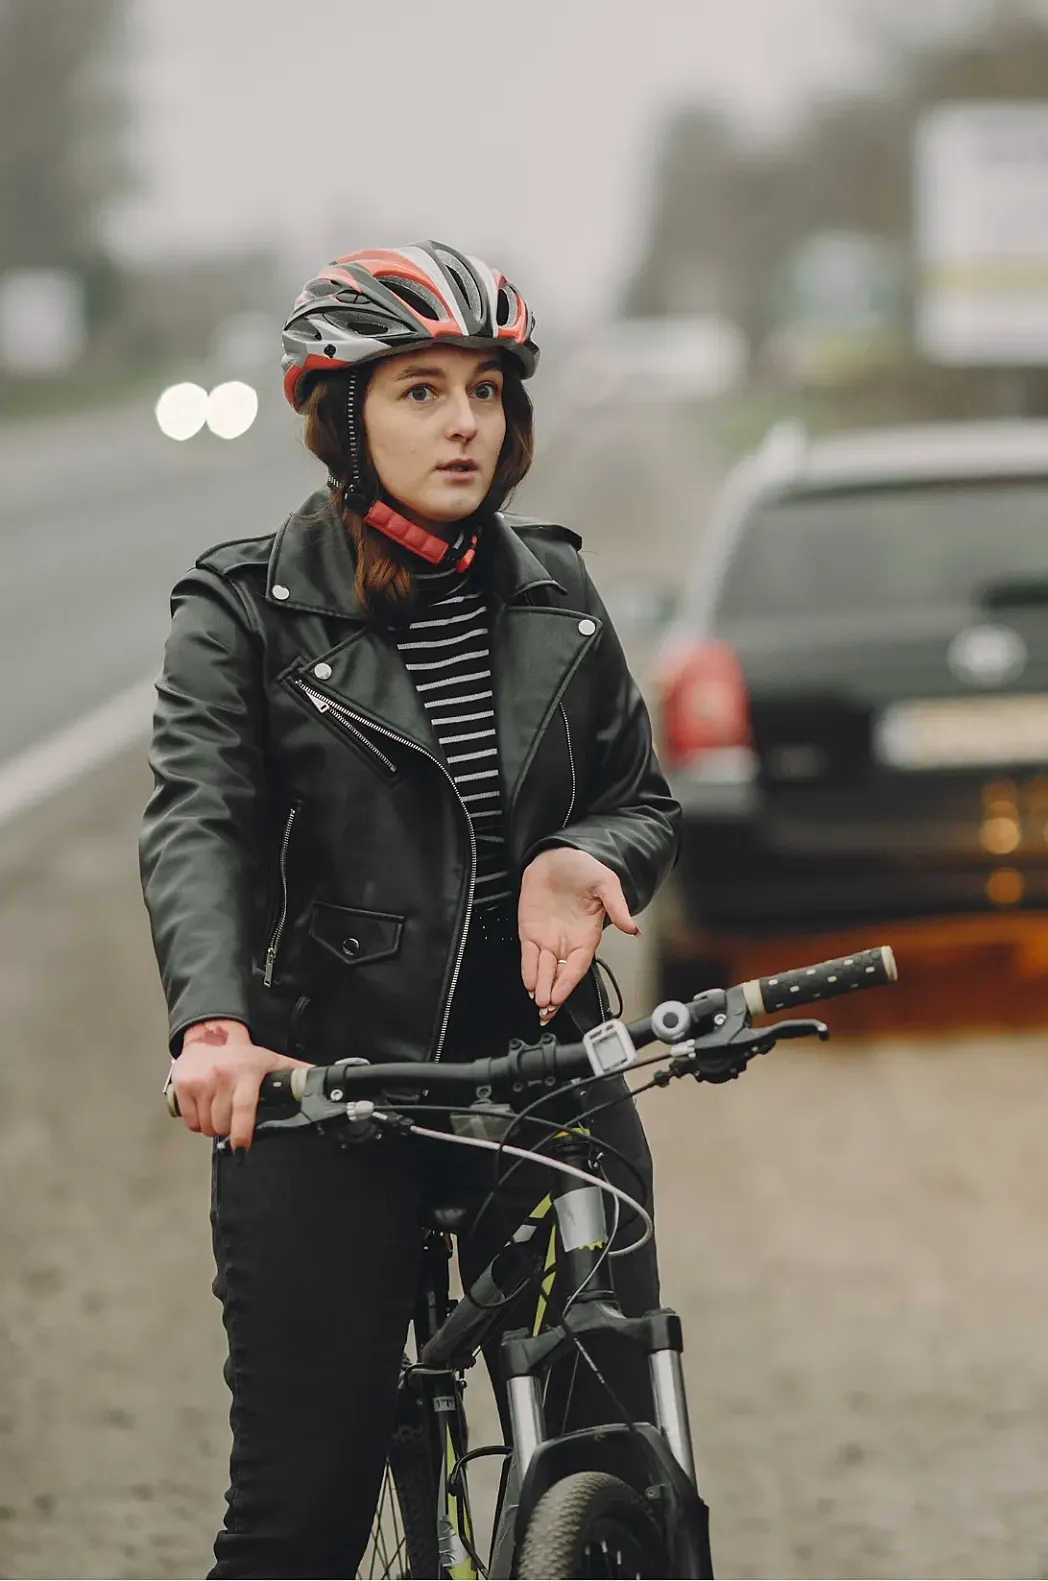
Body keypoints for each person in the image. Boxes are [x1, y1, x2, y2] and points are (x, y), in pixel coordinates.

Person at [139, 241, 681, 1576]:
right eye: (422, 391)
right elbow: (194, 821)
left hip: (548, 1077)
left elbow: (640, 797)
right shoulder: (244, 610)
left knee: (618, 1474)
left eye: (486, 391)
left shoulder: (558, 589)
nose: (464, 424)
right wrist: (213, 1022)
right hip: (330, 1085)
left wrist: (580, 854)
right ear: (341, 416)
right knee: (295, 1521)